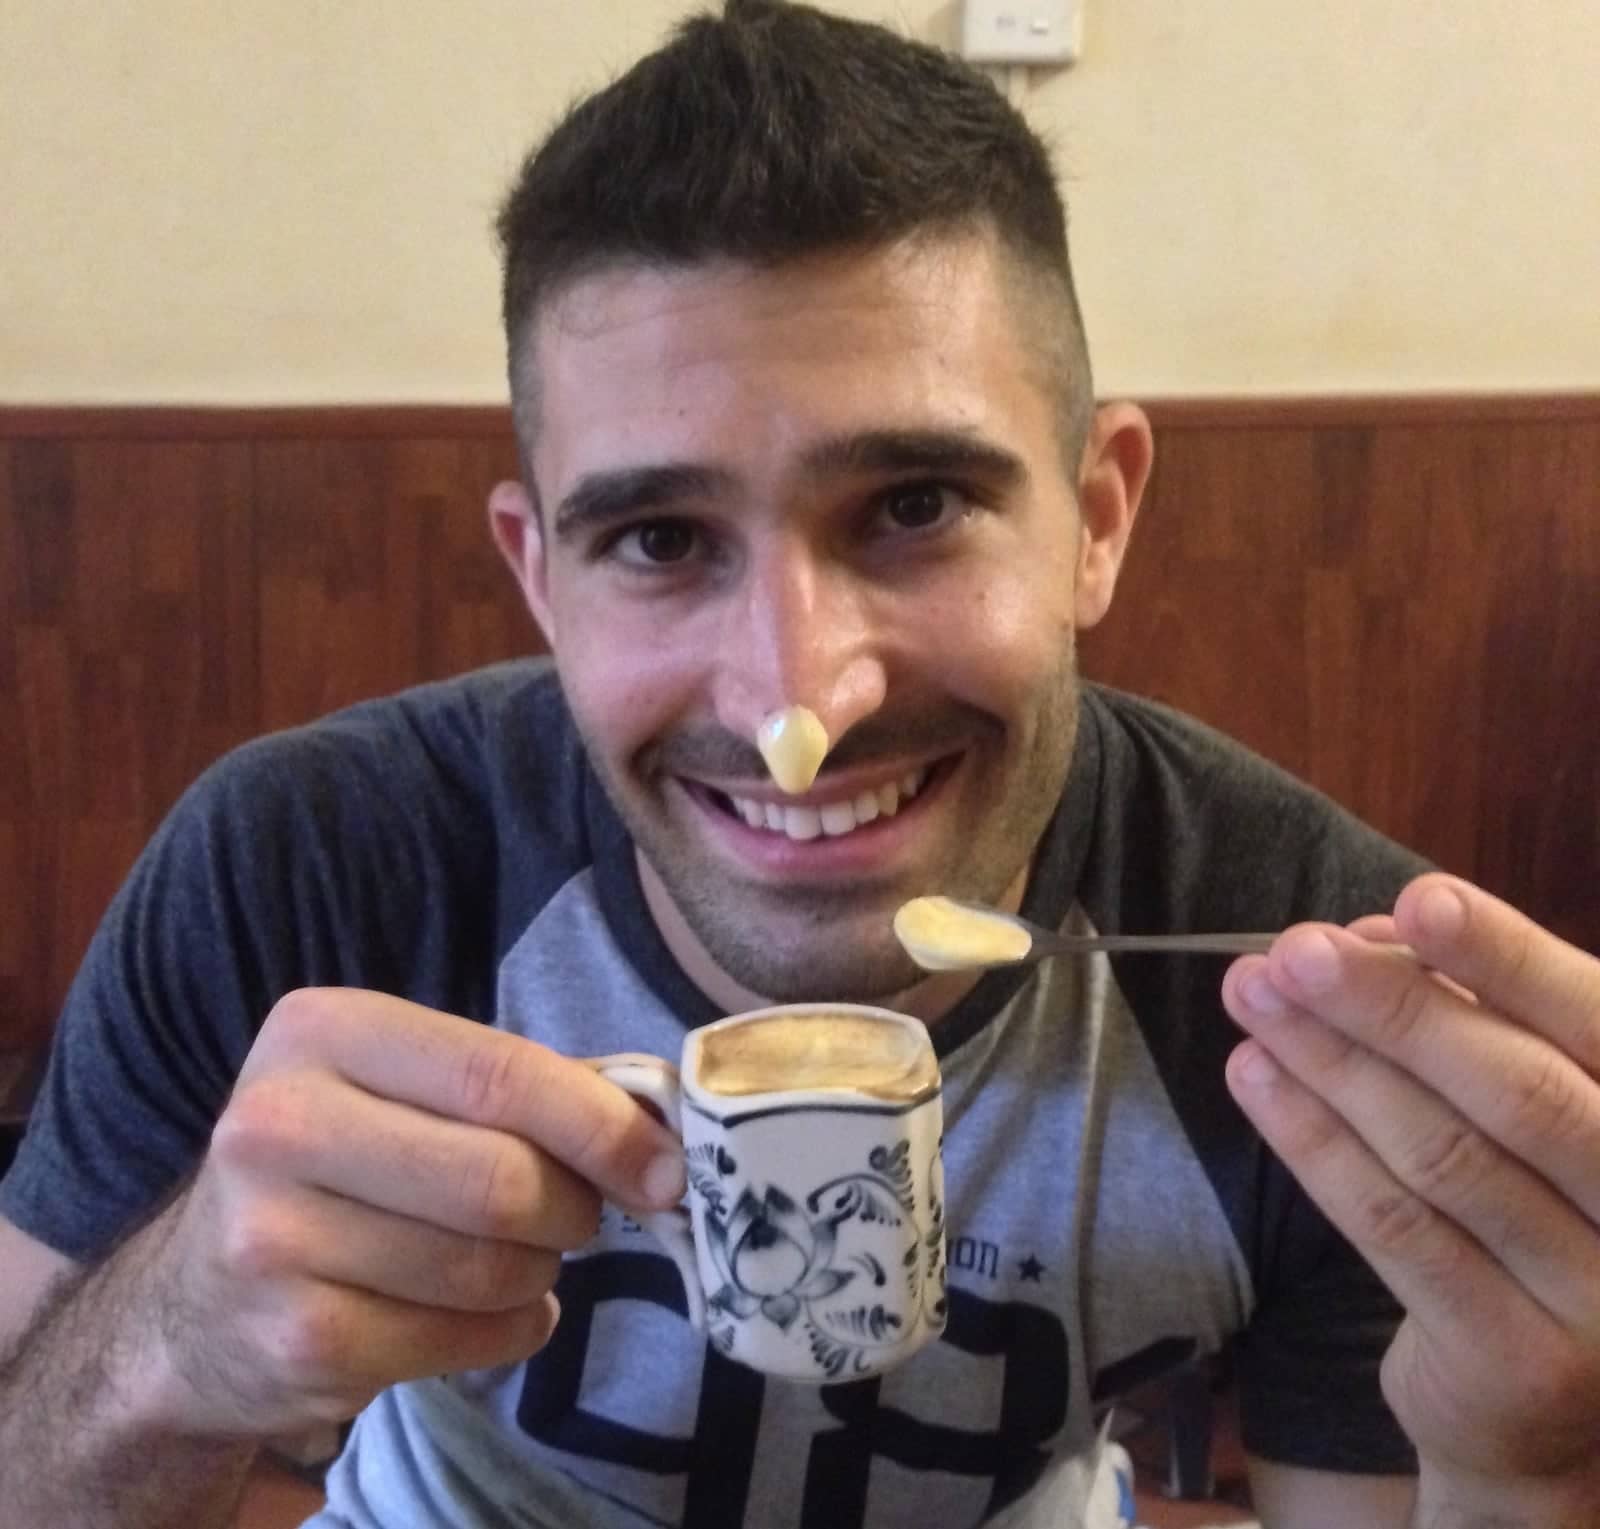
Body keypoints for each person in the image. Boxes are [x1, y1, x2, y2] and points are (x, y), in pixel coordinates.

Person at [1, 2, 1596, 1525]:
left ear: (1097, 515)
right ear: (540, 574)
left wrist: (1531, 1474)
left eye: (912, 506)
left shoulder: (1311, 990)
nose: (798, 702)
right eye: (658, 537)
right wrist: (167, 1354)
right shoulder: (308, 870)